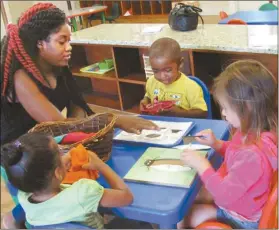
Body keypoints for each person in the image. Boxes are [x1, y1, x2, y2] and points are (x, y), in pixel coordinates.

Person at [0, 2, 158, 145]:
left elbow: (77, 105)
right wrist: (114, 119)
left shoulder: (58, 64)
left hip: (44, 142)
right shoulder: (21, 78)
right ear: (40, 43)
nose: (69, 47)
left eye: (69, 40)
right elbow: (58, 126)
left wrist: (83, 126)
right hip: (16, 152)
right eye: (62, 41)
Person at [179, 60, 278, 229]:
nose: (223, 113)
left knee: (183, 218)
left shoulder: (253, 155)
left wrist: (202, 165)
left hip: (240, 218)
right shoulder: (254, 132)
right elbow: (237, 154)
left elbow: (224, 195)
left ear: (246, 108)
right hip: (242, 199)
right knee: (189, 198)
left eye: (226, 108)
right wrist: (217, 144)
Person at [1, 133, 134, 228]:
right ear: (58, 173)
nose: (64, 154)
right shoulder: (84, 192)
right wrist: (100, 165)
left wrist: (60, 163)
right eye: (59, 152)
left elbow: (8, 221)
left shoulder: (24, 199)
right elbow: (127, 197)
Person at [140, 37, 207, 118]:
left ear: (180, 64)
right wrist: (145, 101)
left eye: (168, 70)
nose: (162, 76)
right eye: (156, 71)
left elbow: (203, 113)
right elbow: (148, 95)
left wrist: (179, 113)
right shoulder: (151, 82)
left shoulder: (191, 87)